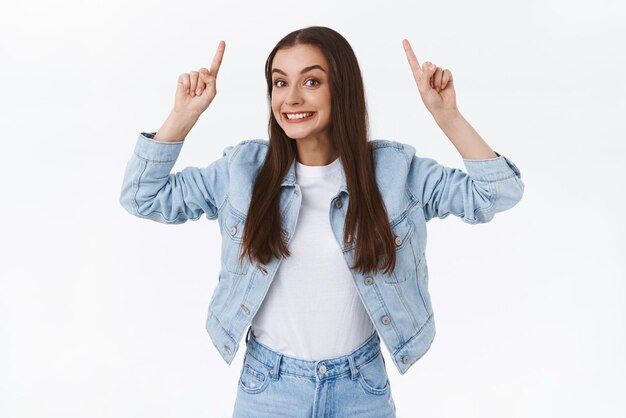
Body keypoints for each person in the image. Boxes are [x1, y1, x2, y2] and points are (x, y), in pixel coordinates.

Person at [119, 26, 524, 418]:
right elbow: (142, 197)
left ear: (341, 90)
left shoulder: (397, 173)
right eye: (280, 83)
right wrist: (183, 115)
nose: (291, 98)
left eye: (311, 82)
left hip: (360, 389)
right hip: (269, 390)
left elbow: (497, 193)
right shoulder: (240, 172)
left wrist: (447, 116)